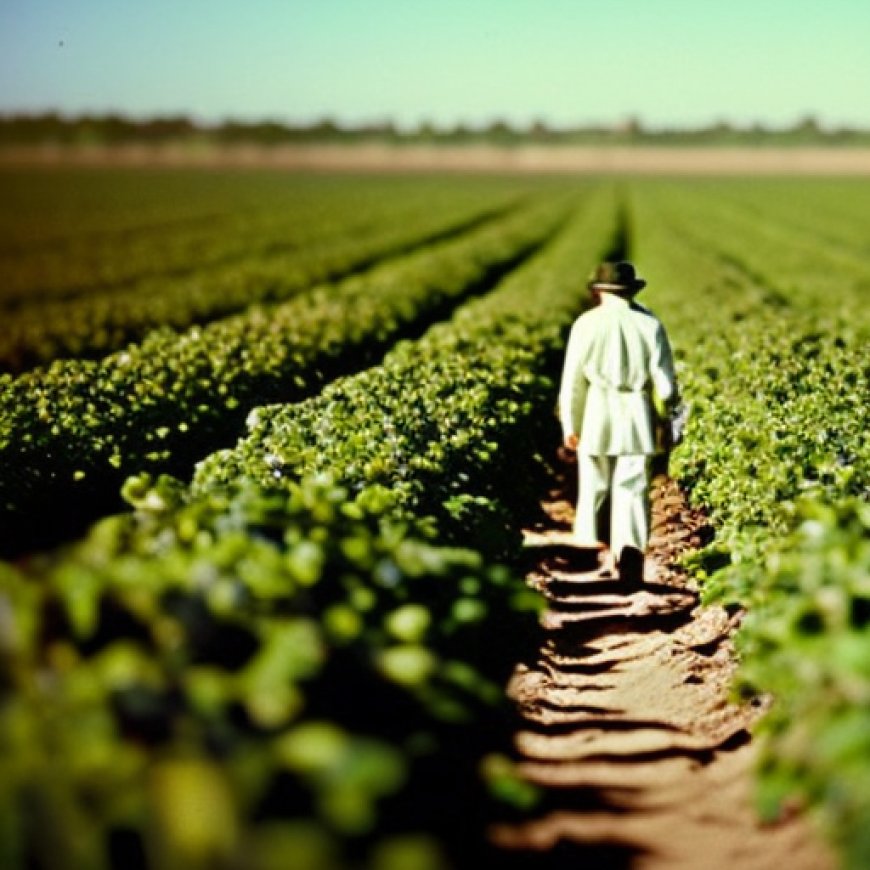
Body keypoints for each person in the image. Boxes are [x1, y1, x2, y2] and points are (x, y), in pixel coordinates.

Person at [558, 261, 680, 582]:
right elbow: (666, 387)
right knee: (633, 487)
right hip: (636, 412)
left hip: (597, 410)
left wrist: (570, 426)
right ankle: (630, 553)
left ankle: (592, 551)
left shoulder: (585, 324)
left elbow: (573, 382)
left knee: (594, 485)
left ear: (598, 291)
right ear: (632, 290)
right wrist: (667, 418)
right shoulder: (650, 325)